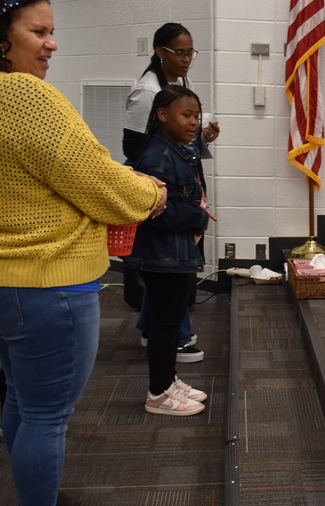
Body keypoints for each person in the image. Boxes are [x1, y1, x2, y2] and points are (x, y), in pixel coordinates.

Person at [0, 0, 167, 506]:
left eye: (53, 31)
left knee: (21, 401)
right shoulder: (26, 96)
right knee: (45, 416)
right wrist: (149, 194)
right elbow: (95, 180)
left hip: (6, 283)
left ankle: (36, 495)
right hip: (48, 283)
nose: (52, 43)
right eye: (39, 32)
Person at [123, 22, 221, 364]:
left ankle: (153, 327)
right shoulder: (147, 92)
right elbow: (135, 147)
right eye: (179, 52)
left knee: (169, 269)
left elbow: (178, 132)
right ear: (159, 52)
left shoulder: (181, 83)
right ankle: (174, 338)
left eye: (190, 52)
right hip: (159, 185)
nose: (186, 59)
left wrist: (201, 135)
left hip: (178, 173)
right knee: (170, 265)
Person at [124, 85, 215, 416]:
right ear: (162, 115)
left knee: (172, 318)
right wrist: (198, 215)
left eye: (196, 116)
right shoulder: (158, 157)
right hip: (162, 255)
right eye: (186, 115)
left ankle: (168, 380)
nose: (193, 122)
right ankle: (159, 393)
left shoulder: (176, 149)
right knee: (165, 325)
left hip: (173, 254)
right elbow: (156, 210)